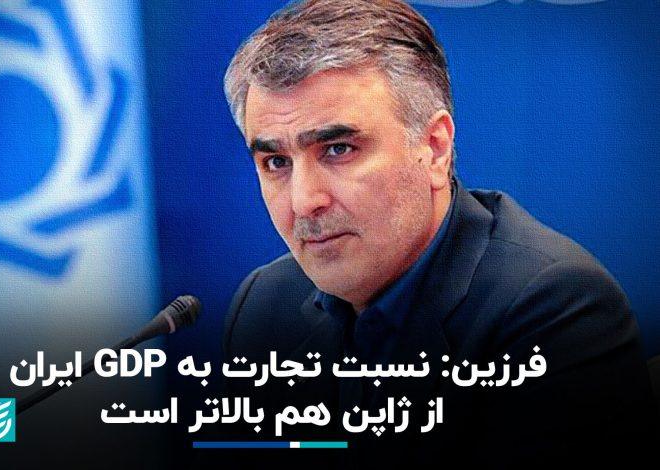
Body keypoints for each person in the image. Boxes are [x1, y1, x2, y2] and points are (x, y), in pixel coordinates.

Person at [219, 0, 657, 466]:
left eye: (338, 149)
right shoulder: (263, 305)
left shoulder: (555, 311)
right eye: (276, 162)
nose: (304, 201)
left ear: (434, 147)